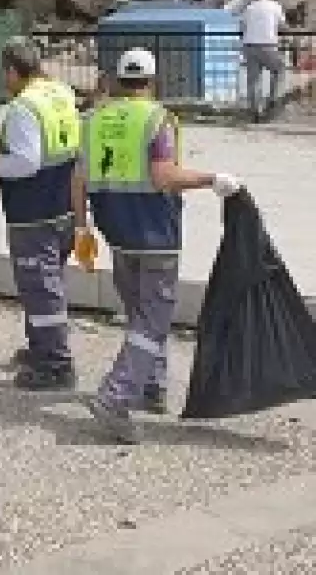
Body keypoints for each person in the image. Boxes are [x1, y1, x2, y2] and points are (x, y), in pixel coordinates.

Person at [72, 48, 241, 443]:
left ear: (117, 79)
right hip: (155, 231)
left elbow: (78, 180)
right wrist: (212, 179)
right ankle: (116, 396)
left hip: (117, 231)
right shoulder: (157, 120)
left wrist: (82, 229)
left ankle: (152, 386)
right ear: (152, 80)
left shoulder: (94, 119)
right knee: (154, 319)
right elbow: (163, 176)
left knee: (138, 313)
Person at [0, 36, 81, 390]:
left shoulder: (24, 107)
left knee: (41, 288)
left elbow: (27, 161)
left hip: (34, 209)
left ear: (13, 70)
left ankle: (56, 364)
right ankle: (41, 347)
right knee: (48, 282)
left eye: (4, 73)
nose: (3, 80)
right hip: (63, 204)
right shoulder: (59, 93)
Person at [240, 0, 287, 121]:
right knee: (280, 70)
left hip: (249, 45)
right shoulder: (275, 6)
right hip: (268, 45)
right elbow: (283, 26)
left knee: (254, 80)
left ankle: (255, 111)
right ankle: (273, 100)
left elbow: (242, 26)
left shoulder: (250, 7)